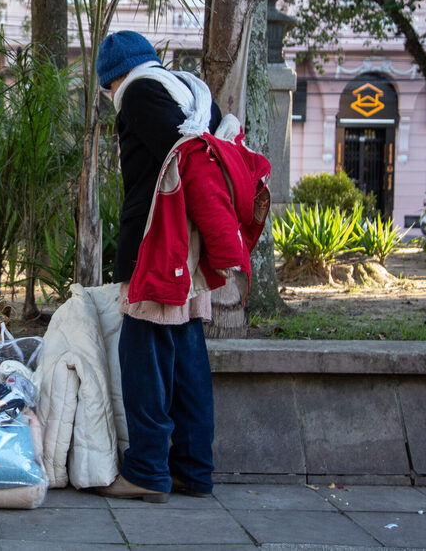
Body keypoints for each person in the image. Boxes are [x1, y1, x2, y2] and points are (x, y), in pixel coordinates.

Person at [92, 30, 264, 504]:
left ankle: (147, 470)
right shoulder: (192, 94)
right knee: (187, 353)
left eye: (108, 88)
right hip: (189, 247)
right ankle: (193, 469)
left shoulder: (139, 92)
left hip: (158, 242)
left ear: (113, 79)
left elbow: (178, 157)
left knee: (143, 355)